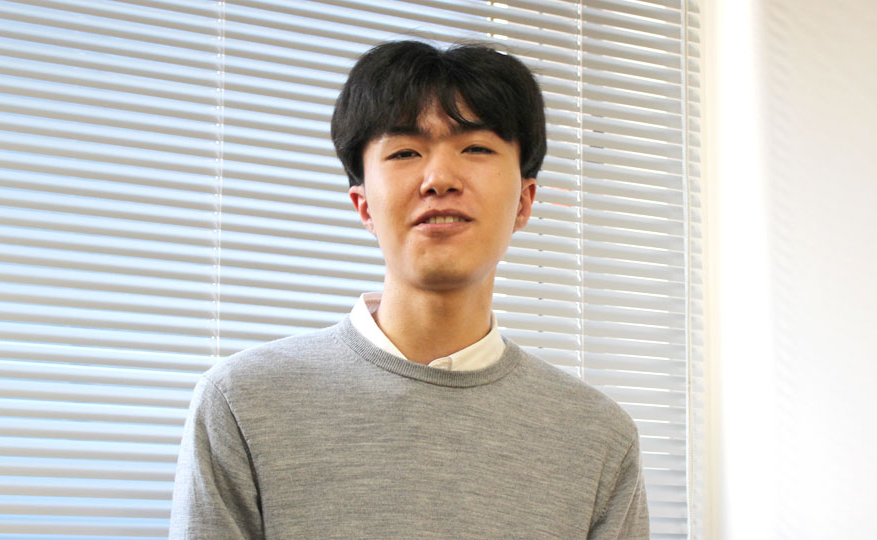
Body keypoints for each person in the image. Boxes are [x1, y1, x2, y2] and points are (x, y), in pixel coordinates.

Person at [169, 40, 649, 539]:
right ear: (364, 207)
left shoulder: (599, 439)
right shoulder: (241, 404)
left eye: (476, 148)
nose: (439, 179)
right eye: (405, 152)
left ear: (525, 202)